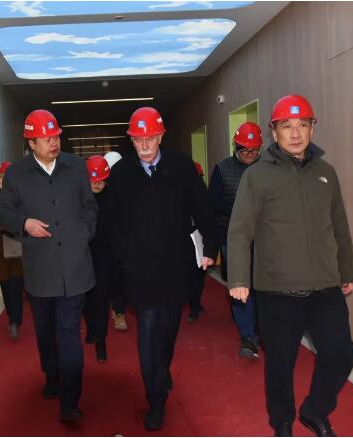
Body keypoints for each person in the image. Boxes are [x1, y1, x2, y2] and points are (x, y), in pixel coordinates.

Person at [228, 95, 353, 437]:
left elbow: (339, 226)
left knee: (341, 352)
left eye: (302, 125)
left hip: (325, 286)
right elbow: (240, 230)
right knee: (280, 363)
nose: (296, 133)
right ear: (275, 132)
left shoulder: (326, 173)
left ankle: (315, 411)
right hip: (277, 290)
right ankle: (282, 422)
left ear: (313, 128)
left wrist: (347, 269)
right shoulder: (257, 176)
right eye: (287, 126)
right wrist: (238, 278)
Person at [106, 107, 218, 431]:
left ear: (161, 136)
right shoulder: (122, 173)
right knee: (148, 330)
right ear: (131, 140)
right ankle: (155, 398)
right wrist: (123, 256)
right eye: (138, 139)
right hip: (139, 269)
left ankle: (162, 369)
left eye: (151, 137)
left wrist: (210, 247)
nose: (145, 144)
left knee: (168, 330)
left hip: (175, 266)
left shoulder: (181, 166)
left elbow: (202, 207)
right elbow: (110, 220)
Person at [0, 109, 98, 425]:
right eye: (46, 138)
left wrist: (84, 234)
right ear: (31, 143)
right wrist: (24, 223)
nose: (54, 142)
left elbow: (90, 207)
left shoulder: (76, 167)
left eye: (56, 136)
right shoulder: (16, 174)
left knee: (69, 332)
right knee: (45, 331)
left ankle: (70, 400)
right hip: (40, 270)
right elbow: (1, 214)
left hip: (75, 267)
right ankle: (51, 374)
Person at [207, 122, 263, 357]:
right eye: (244, 151)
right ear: (235, 147)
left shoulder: (269, 168)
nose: (249, 155)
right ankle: (247, 336)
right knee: (240, 285)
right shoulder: (222, 168)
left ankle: (261, 328)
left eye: (253, 151)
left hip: (264, 237)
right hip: (232, 236)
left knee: (262, 284)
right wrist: (240, 209)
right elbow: (212, 201)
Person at [0, 161, 25, 340]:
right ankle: (12, 317)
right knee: (6, 289)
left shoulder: (20, 200)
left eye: (2, 176)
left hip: (17, 251)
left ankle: (15, 321)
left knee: (16, 287)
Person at [82, 155, 114, 362]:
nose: (97, 184)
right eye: (93, 181)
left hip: (105, 257)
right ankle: (91, 328)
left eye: (100, 181)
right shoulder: (78, 199)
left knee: (101, 299)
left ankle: (101, 339)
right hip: (82, 255)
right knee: (85, 298)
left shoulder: (113, 200)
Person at [103, 151, 128, 331]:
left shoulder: (128, 187)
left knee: (120, 279)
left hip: (122, 242)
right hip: (104, 243)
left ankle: (119, 311)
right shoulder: (97, 189)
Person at [187, 161, 207, 323]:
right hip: (182, 236)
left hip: (198, 236)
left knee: (199, 272)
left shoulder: (204, 194)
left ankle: (195, 305)